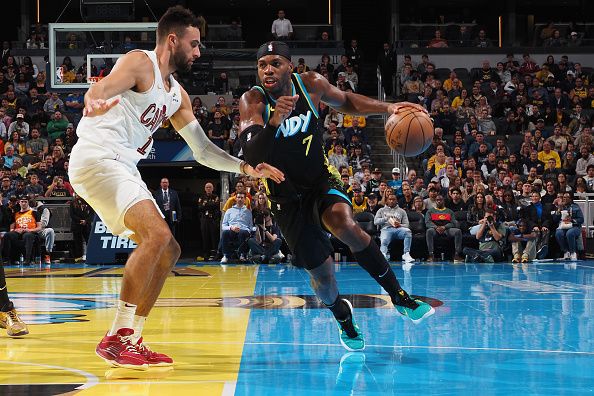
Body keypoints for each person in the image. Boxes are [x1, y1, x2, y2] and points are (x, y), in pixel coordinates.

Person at [67, 6, 284, 369]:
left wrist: (245, 167)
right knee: (156, 236)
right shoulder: (141, 63)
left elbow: (202, 151)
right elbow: (103, 87)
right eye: (194, 44)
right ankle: (117, 337)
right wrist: (94, 99)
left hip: (122, 166)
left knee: (169, 248)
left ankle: (132, 337)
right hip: (98, 156)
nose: (199, 52)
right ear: (173, 40)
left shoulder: (176, 95)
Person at [238, 41, 434, 352]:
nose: (268, 70)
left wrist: (388, 107)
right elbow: (252, 153)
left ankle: (399, 296)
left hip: (320, 180)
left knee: (345, 224)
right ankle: (342, 316)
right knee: (324, 281)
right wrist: (274, 122)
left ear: (290, 66)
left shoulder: (311, 84)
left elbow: (346, 101)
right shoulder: (252, 101)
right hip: (285, 199)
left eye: (275, 63)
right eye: (263, 65)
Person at [374, 193, 414, 263]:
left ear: (396, 201)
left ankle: (406, 254)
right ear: (386, 201)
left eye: (393, 199)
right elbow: (376, 222)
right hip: (386, 229)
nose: (392, 201)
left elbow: (407, 225)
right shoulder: (381, 210)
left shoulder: (402, 211)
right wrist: (386, 218)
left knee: (408, 232)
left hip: (398, 229)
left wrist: (400, 225)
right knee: (384, 239)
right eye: (390, 199)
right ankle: (383, 254)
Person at [424, 195, 464, 262]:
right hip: (435, 229)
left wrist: (444, 227)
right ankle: (431, 254)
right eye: (437, 200)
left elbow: (453, 222)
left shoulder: (449, 211)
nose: (439, 201)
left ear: (443, 201)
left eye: (440, 200)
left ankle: (457, 254)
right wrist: (436, 227)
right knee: (429, 231)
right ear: (435, 201)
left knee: (458, 231)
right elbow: (427, 222)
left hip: (447, 229)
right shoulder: (430, 211)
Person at [220, 192, 252, 263]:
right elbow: (223, 226)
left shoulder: (248, 212)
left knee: (243, 233)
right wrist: (231, 227)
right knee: (225, 233)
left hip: (243, 230)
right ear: (235, 199)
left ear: (244, 200)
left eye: (242, 198)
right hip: (232, 230)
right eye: (238, 197)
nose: (240, 199)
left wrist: (248, 230)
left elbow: (251, 226)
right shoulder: (229, 211)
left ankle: (242, 254)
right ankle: (226, 255)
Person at [553, 192, 583, 261]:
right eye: (564, 197)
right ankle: (566, 252)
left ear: (571, 199)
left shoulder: (576, 207)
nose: (565, 199)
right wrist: (558, 210)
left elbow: (581, 219)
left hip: (574, 226)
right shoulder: (560, 207)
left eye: (567, 197)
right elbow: (555, 219)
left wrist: (572, 220)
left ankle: (573, 252)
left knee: (570, 233)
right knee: (558, 233)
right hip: (563, 226)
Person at [197, 182, 220, 261]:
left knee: (214, 237)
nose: (208, 189)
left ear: (213, 189)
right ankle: (206, 254)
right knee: (205, 236)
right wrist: (210, 205)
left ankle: (214, 254)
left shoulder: (216, 196)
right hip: (204, 219)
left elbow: (216, 205)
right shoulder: (201, 197)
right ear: (205, 189)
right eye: (207, 187)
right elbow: (200, 207)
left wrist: (206, 205)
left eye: (210, 187)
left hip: (213, 219)